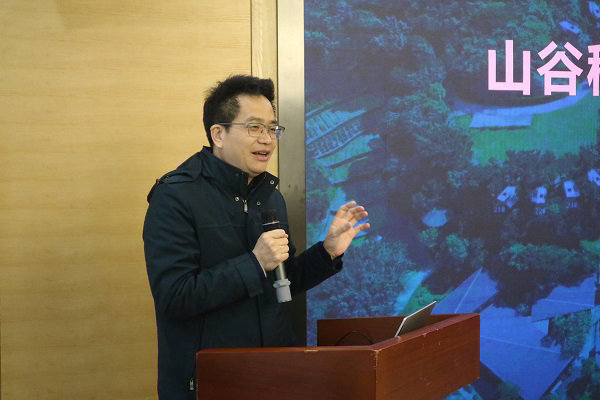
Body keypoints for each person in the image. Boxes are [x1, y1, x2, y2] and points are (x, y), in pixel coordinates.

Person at [143, 75, 369, 399]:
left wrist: (327, 253)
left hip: (272, 375)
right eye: (254, 127)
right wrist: (254, 262)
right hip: (209, 383)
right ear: (218, 134)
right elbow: (175, 297)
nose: (267, 139)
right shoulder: (175, 197)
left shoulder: (269, 195)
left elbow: (282, 282)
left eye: (272, 128)